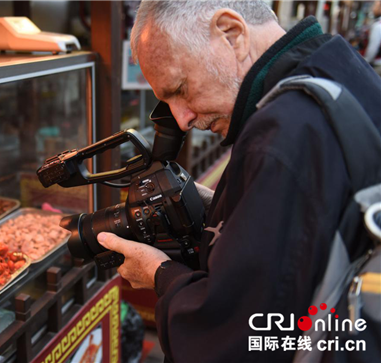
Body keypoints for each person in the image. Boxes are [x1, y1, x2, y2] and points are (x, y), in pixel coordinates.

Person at [96, 1, 381, 362]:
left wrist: (159, 274)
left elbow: (240, 339)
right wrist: (225, 205)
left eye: (180, 88)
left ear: (231, 33)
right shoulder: (338, 66)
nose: (182, 120)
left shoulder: (284, 133)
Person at [365, 0, 381, 74]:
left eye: (374, 5)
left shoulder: (378, 26)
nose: (372, 8)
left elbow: (372, 50)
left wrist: (365, 62)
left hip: (378, 65)